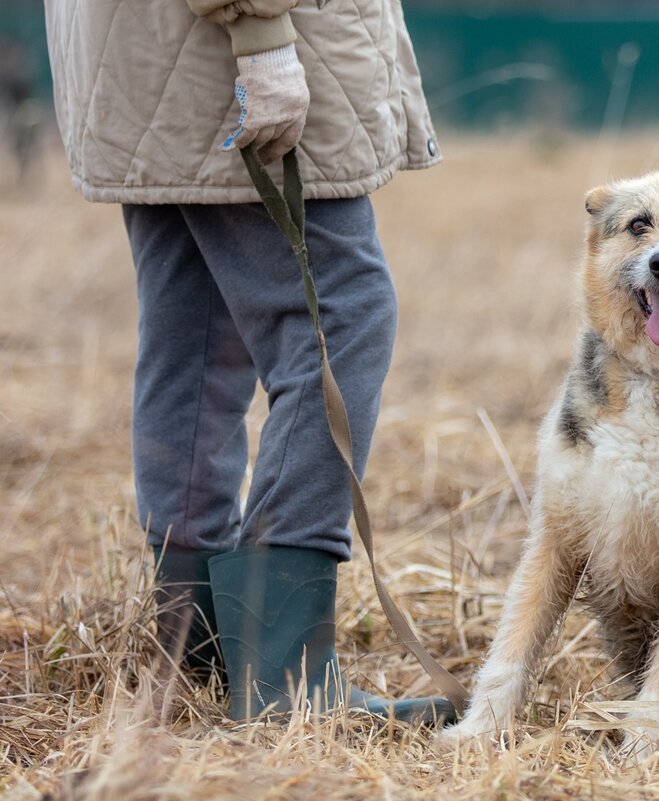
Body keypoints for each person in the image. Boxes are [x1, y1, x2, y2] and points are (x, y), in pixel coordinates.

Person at [45, 0, 452, 723]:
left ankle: (198, 647)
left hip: (141, 49)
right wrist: (260, 33)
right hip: (222, 48)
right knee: (342, 314)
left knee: (198, 334)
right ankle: (284, 672)